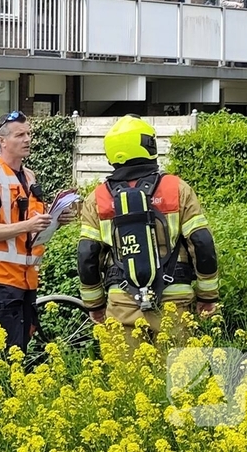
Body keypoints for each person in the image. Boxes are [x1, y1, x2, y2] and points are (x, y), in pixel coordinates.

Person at [78, 115, 219, 347]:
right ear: (148, 145)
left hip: (122, 302)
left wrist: (94, 305)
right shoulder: (177, 188)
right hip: (175, 301)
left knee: (125, 370)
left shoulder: (97, 198)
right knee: (177, 369)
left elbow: (87, 255)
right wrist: (207, 295)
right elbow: (202, 242)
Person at [0, 111, 75, 351]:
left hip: (27, 277)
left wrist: (56, 220)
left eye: (29, 134)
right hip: (0, 278)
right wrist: (27, 226)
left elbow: (32, 226)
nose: (27, 139)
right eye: (19, 135)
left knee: (21, 349)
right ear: (2, 141)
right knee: (8, 352)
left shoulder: (29, 176)